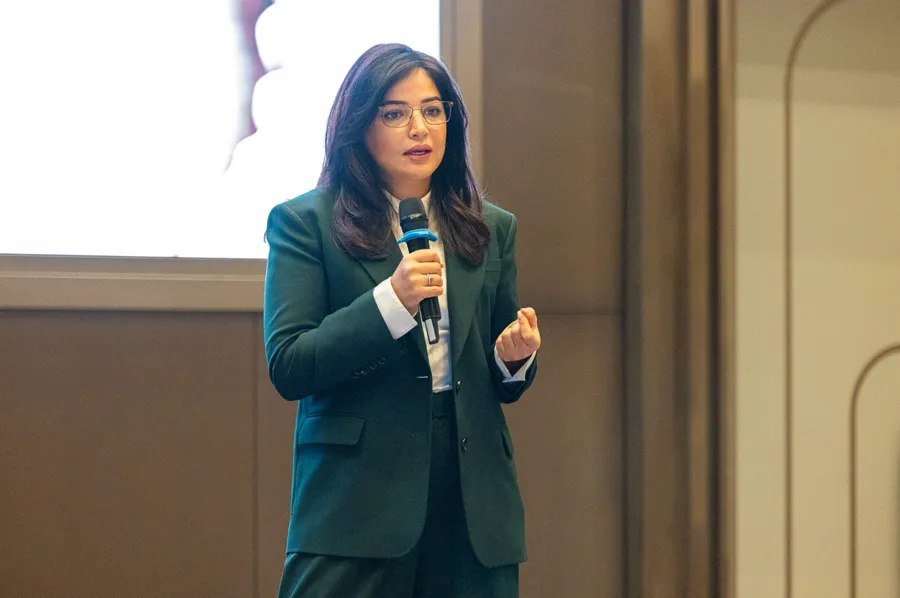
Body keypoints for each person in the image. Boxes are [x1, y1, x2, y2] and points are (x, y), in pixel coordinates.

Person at [263, 43, 540, 598]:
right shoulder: (305, 222)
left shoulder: (490, 227)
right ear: (359, 126)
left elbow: (499, 376)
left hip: (472, 501)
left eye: (433, 110)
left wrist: (513, 358)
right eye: (395, 113)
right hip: (356, 501)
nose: (420, 128)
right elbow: (290, 364)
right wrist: (392, 301)